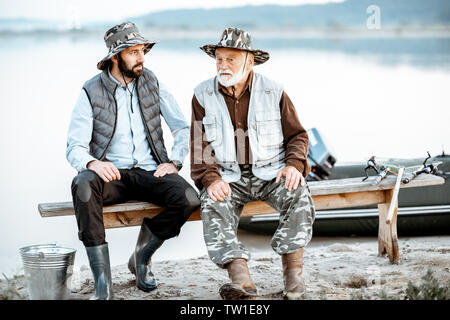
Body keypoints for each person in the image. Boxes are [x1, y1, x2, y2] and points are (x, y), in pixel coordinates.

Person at [66, 22, 200, 300]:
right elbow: (74, 147)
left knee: (188, 198)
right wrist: (93, 164)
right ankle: (103, 283)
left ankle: (141, 256)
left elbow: (182, 128)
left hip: (153, 171)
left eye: (143, 51)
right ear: (115, 57)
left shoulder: (152, 82)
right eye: (133, 52)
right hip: (112, 175)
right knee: (83, 186)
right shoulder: (90, 91)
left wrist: (175, 161)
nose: (141, 58)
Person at [190, 27, 316, 300]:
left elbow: (298, 136)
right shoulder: (202, 94)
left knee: (298, 192)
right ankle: (242, 280)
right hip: (227, 176)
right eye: (219, 58)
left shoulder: (274, 90)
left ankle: (293, 279)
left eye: (231, 59)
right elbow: (200, 147)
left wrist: (294, 165)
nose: (223, 65)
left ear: (250, 61)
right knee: (212, 203)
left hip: (271, 173)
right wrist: (211, 179)